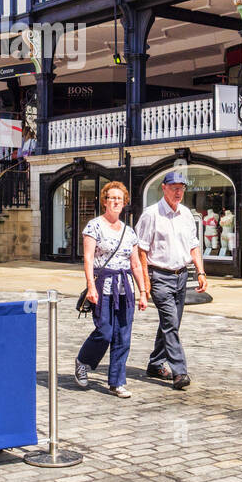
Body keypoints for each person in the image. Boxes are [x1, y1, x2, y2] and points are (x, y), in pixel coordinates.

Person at [73, 182, 146, 397]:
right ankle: (83, 361)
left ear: (124, 203)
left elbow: (135, 264)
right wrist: (90, 286)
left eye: (119, 199)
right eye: (111, 198)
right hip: (103, 285)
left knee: (123, 334)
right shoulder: (94, 226)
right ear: (105, 201)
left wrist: (142, 291)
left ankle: (117, 381)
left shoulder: (129, 231)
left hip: (125, 287)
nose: (115, 202)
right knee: (104, 332)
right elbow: (87, 259)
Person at [135, 170, 206, 391]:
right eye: (174, 187)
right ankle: (180, 372)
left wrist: (201, 272)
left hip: (182, 275)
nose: (178, 191)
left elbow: (194, 245)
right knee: (169, 323)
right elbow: (141, 250)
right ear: (163, 188)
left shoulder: (186, 214)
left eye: (182, 188)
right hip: (160, 276)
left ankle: (156, 364)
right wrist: (145, 282)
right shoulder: (151, 214)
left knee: (171, 324)